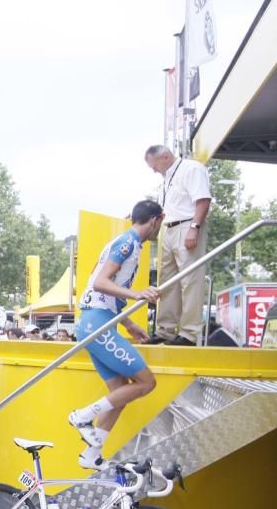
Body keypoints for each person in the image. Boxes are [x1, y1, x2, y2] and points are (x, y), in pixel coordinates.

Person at [69, 200, 162, 470]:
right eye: (160, 224)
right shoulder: (128, 243)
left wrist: (130, 325)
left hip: (96, 322)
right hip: (96, 323)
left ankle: (91, 453)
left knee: (121, 392)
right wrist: (138, 294)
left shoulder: (128, 244)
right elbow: (101, 282)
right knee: (146, 382)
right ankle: (82, 416)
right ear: (155, 220)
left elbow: (100, 288)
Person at [144, 145, 212, 346]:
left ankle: (189, 333)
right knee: (167, 282)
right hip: (168, 227)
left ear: (165, 157)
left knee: (190, 280)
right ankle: (165, 330)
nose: (154, 170)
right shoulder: (167, 178)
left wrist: (194, 227)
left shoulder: (191, 169)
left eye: (154, 165)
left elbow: (203, 200)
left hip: (187, 224)